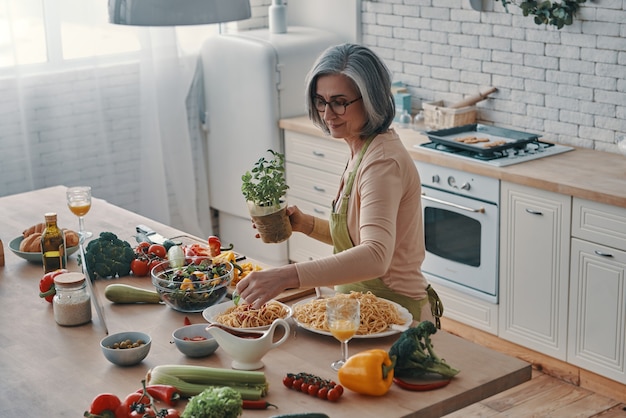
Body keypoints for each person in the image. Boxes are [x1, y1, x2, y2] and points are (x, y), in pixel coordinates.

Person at [235, 43, 442, 325]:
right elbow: (358, 236)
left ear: (371, 100)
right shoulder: (364, 148)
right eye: (321, 101)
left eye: (340, 102)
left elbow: (375, 256)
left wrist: (286, 275)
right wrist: (305, 224)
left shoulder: (381, 163)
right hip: (359, 309)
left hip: (394, 316)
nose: (327, 114)